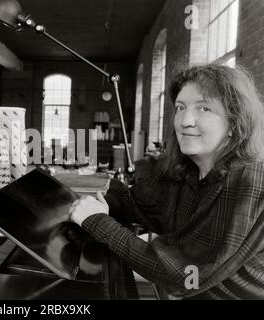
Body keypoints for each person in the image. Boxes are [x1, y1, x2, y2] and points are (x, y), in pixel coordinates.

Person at [69, 64, 264, 299]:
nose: (185, 121)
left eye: (204, 108)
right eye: (180, 107)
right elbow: (137, 204)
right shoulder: (189, 172)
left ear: (235, 123)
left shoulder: (250, 178)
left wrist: (97, 221)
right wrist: (93, 203)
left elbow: (185, 276)